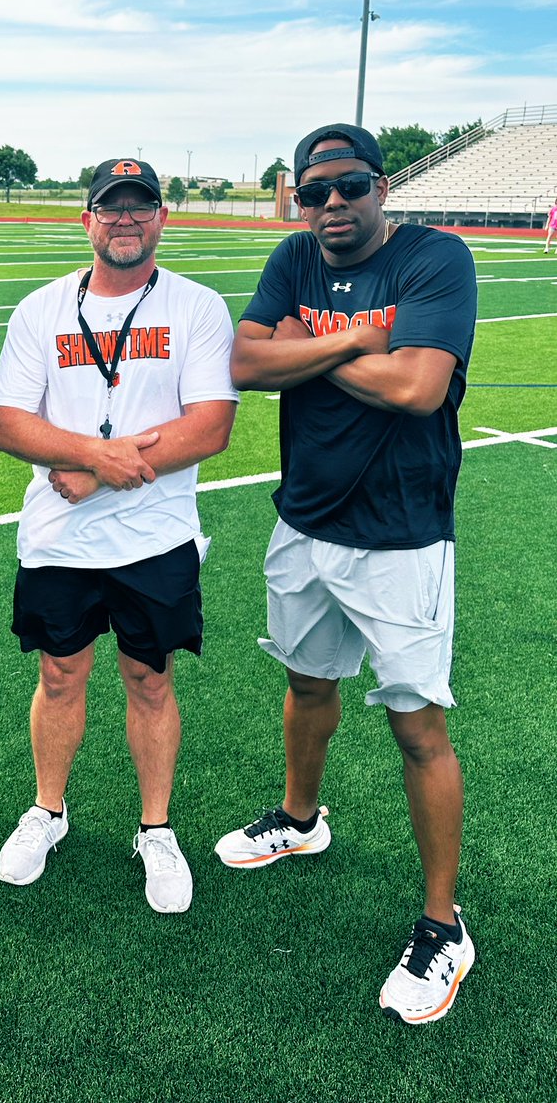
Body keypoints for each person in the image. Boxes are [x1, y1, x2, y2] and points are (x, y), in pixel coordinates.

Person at [213, 123, 478, 1023]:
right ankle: (299, 819)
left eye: (349, 186)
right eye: (314, 189)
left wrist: (314, 346)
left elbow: (418, 390)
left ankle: (443, 923)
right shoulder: (293, 256)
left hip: (401, 536)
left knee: (416, 729)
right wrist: (369, 338)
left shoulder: (435, 259)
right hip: (305, 522)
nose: (332, 204)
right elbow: (247, 363)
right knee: (306, 682)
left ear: (381, 187)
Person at [0, 158, 238, 913]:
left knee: (149, 679)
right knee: (59, 677)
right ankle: (47, 810)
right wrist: (92, 454)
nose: (124, 219)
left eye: (140, 207)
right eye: (110, 207)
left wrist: (95, 469)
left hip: (154, 536)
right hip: (58, 540)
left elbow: (211, 426)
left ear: (159, 217)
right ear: (86, 218)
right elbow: (7, 423)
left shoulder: (196, 307)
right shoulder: (42, 309)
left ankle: (154, 828)